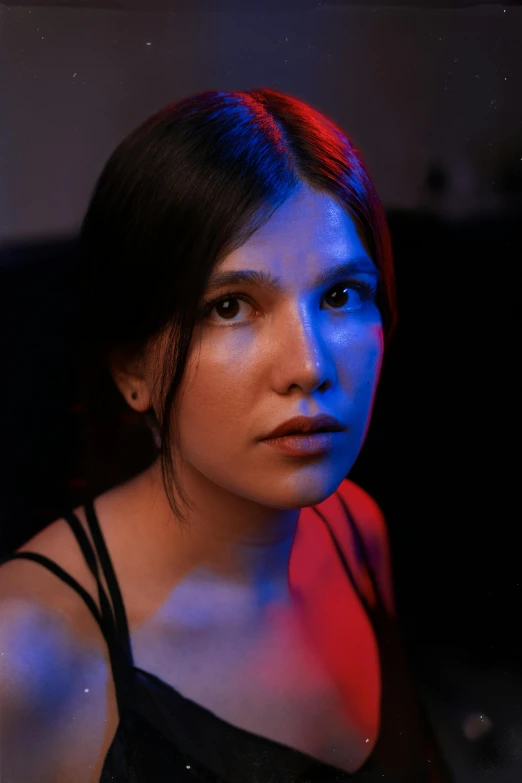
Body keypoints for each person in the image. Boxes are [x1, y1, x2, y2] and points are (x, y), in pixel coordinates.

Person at [0, 88, 453, 782]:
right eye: (231, 305)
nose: (309, 365)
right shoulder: (26, 657)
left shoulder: (357, 529)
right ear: (132, 368)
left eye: (340, 295)